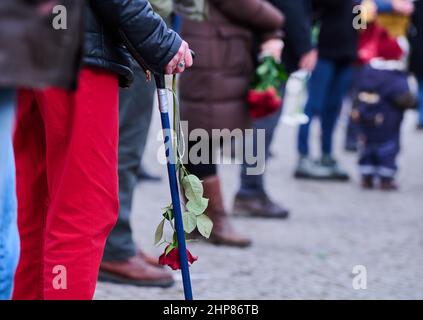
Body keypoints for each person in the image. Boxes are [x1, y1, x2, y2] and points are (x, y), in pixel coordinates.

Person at [12, 0, 193, 300]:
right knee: (81, 205)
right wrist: (155, 37)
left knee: (31, 202)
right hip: (74, 45)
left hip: (24, 40)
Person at [178, 0, 284, 247]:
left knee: (202, 135)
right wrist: (275, 19)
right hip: (211, 47)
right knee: (201, 134)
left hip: (217, 44)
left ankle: (199, 220)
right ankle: (212, 220)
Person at [0, 0, 84, 300]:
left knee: (27, 194)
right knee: (79, 201)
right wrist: (156, 39)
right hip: (63, 45)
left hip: (24, 48)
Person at [99, 0, 176, 288]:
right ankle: (113, 248)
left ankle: (118, 242)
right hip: (133, 28)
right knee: (123, 148)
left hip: (139, 25)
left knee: (126, 146)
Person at [233, 0, 316, 219]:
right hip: (267, 52)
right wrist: (305, 45)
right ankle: (249, 191)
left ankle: (251, 189)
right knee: (262, 125)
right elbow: (292, 7)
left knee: (260, 126)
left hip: (258, 48)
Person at [294, 0, 358, 181]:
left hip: (346, 56)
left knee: (333, 109)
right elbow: (309, 13)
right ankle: (303, 155)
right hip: (323, 54)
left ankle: (327, 154)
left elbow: (359, 25)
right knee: (313, 106)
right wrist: (308, 46)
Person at [354, 33, 418, 190]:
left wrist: (357, 110)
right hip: (389, 122)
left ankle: (366, 176)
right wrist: (412, 102)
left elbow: (357, 91)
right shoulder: (396, 77)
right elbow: (403, 98)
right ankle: (386, 178)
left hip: (367, 120)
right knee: (388, 149)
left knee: (367, 147)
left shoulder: (367, 71)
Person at [409, 0, 423, 129]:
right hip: (419, 51)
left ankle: (421, 117)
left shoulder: (416, 5)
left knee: (420, 87)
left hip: (419, 50)